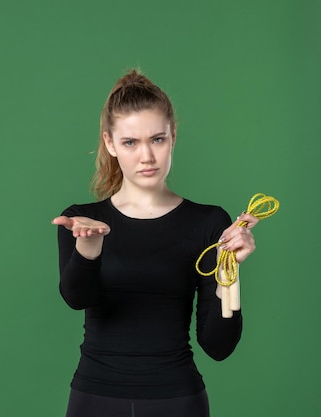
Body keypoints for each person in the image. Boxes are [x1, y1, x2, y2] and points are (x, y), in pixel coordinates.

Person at [52, 69, 258, 417]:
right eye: (131, 142)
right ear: (110, 143)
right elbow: (76, 299)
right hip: (95, 398)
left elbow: (218, 345)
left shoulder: (208, 222)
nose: (146, 156)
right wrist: (88, 251)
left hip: (177, 400)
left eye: (157, 139)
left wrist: (230, 271)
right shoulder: (81, 221)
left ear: (173, 137)